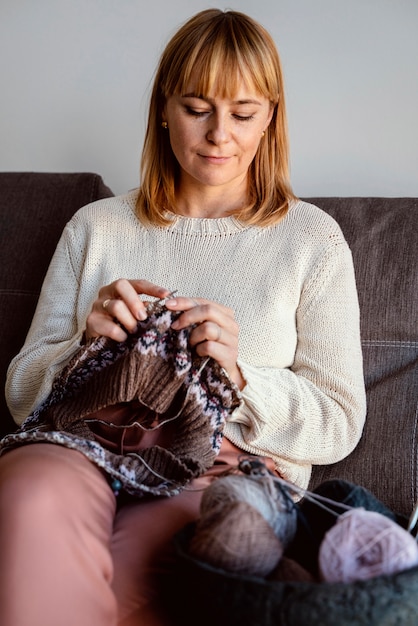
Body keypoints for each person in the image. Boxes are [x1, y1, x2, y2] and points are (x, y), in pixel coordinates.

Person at [0, 8, 366, 626]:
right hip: (82, 446)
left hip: (214, 466)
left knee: (149, 569)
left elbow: (340, 420)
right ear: (163, 109)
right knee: (30, 498)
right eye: (197, 108)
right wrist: (82, 349)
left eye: (243, 113)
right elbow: (19, 393)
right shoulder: (96, 228)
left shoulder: (313, 242)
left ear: (270, 116)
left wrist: (241, 376)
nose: (219, 133)